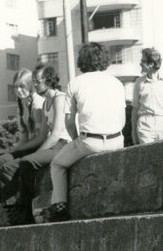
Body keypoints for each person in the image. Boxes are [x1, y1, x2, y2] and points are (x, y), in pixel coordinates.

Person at [45, 43, 125, 222]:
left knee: (57, 165)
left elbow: (68, 121)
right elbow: (122, 119)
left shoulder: (76, 83)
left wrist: (76, 141)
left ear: (82, 61)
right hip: (116, 140)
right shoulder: (117, 82)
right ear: (104, 59)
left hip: (90, 142)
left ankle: (59, 207)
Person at [5, 63, 72, 224]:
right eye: (33, 80)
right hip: (53, 144)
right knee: (23, 162)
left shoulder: (59, 98)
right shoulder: (45, 103)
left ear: (49, 80)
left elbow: (56, 133)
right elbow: (43, 134)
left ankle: (28, 211)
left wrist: (37, 154)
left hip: (63, 143)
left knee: (27, 162)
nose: (34, 84)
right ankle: (24, 210)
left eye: (37, 81)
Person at [0, 69, 46, 212]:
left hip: (40, 146)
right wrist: (14, 150)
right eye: (15, 86)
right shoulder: (21, 106)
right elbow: (23, 137)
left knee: (3, 161)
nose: (18, 90)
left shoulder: (37, 104)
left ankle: (15, 205)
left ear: (31, 85)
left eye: (22, 86)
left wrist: (17, 151)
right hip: (29, 146)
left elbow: (40, 138)